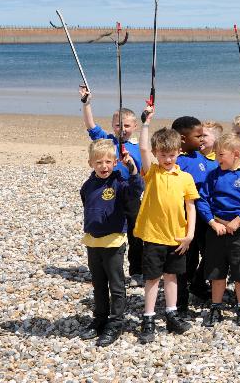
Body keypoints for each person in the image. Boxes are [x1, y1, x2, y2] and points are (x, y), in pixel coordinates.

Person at [134, 109, 198, 343]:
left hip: (177, 237)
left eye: (171, 154)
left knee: (172, 277)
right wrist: (145, 123)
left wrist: (189, 234)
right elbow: (142, 148)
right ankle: (148, 317)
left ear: (178, 152)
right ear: (156, 154)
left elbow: (191, 207)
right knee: (152, 278)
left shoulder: (185, 178)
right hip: (153, 236)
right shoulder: (151, 173)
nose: (168, 159)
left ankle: (171, 314)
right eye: (162, 155)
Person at [196, 133, 240, 327]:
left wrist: (239, 219)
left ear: (236, 154)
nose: (218, 159)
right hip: (217, 230)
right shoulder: (214, 174)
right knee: (217, 271)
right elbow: (203, 200)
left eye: (221, 155)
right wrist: (212, 222)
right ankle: (216, 306)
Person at [78, 139, 142, 347]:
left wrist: (131, 168)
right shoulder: (88, 185)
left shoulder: (120, 183)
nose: (103, 166)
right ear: (90, 163)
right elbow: (86, 202)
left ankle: (116, 323)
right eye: (98, 162)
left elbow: (135, 189)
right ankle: (100, 318)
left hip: (114, 241)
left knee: (116, 285)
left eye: (107, 162)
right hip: (93, 241)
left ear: (115, 163)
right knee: (98, 284)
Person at [79, 85, 144, 283]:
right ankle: (107, 265)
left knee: (136, 234)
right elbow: (91, 126)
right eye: (118, 125)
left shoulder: (139, 147)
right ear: (112, 125)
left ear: (134, 127)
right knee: (110, 229)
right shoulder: (106, 141)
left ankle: (136, 270)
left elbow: (143, 173)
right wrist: (87, 103)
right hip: (108, 193)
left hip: (130, 195)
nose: (121, 129)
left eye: (126, 126)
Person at [172, 115, 213, 314]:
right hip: (187, 217)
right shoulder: (178, 162)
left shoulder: (202, 157)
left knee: (211, 252)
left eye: (204, 135)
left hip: (205, 215)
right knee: (188, 257)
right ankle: (182, 298)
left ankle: (198, 283)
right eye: (198, 136)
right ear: (182, 138)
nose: (202, 139)